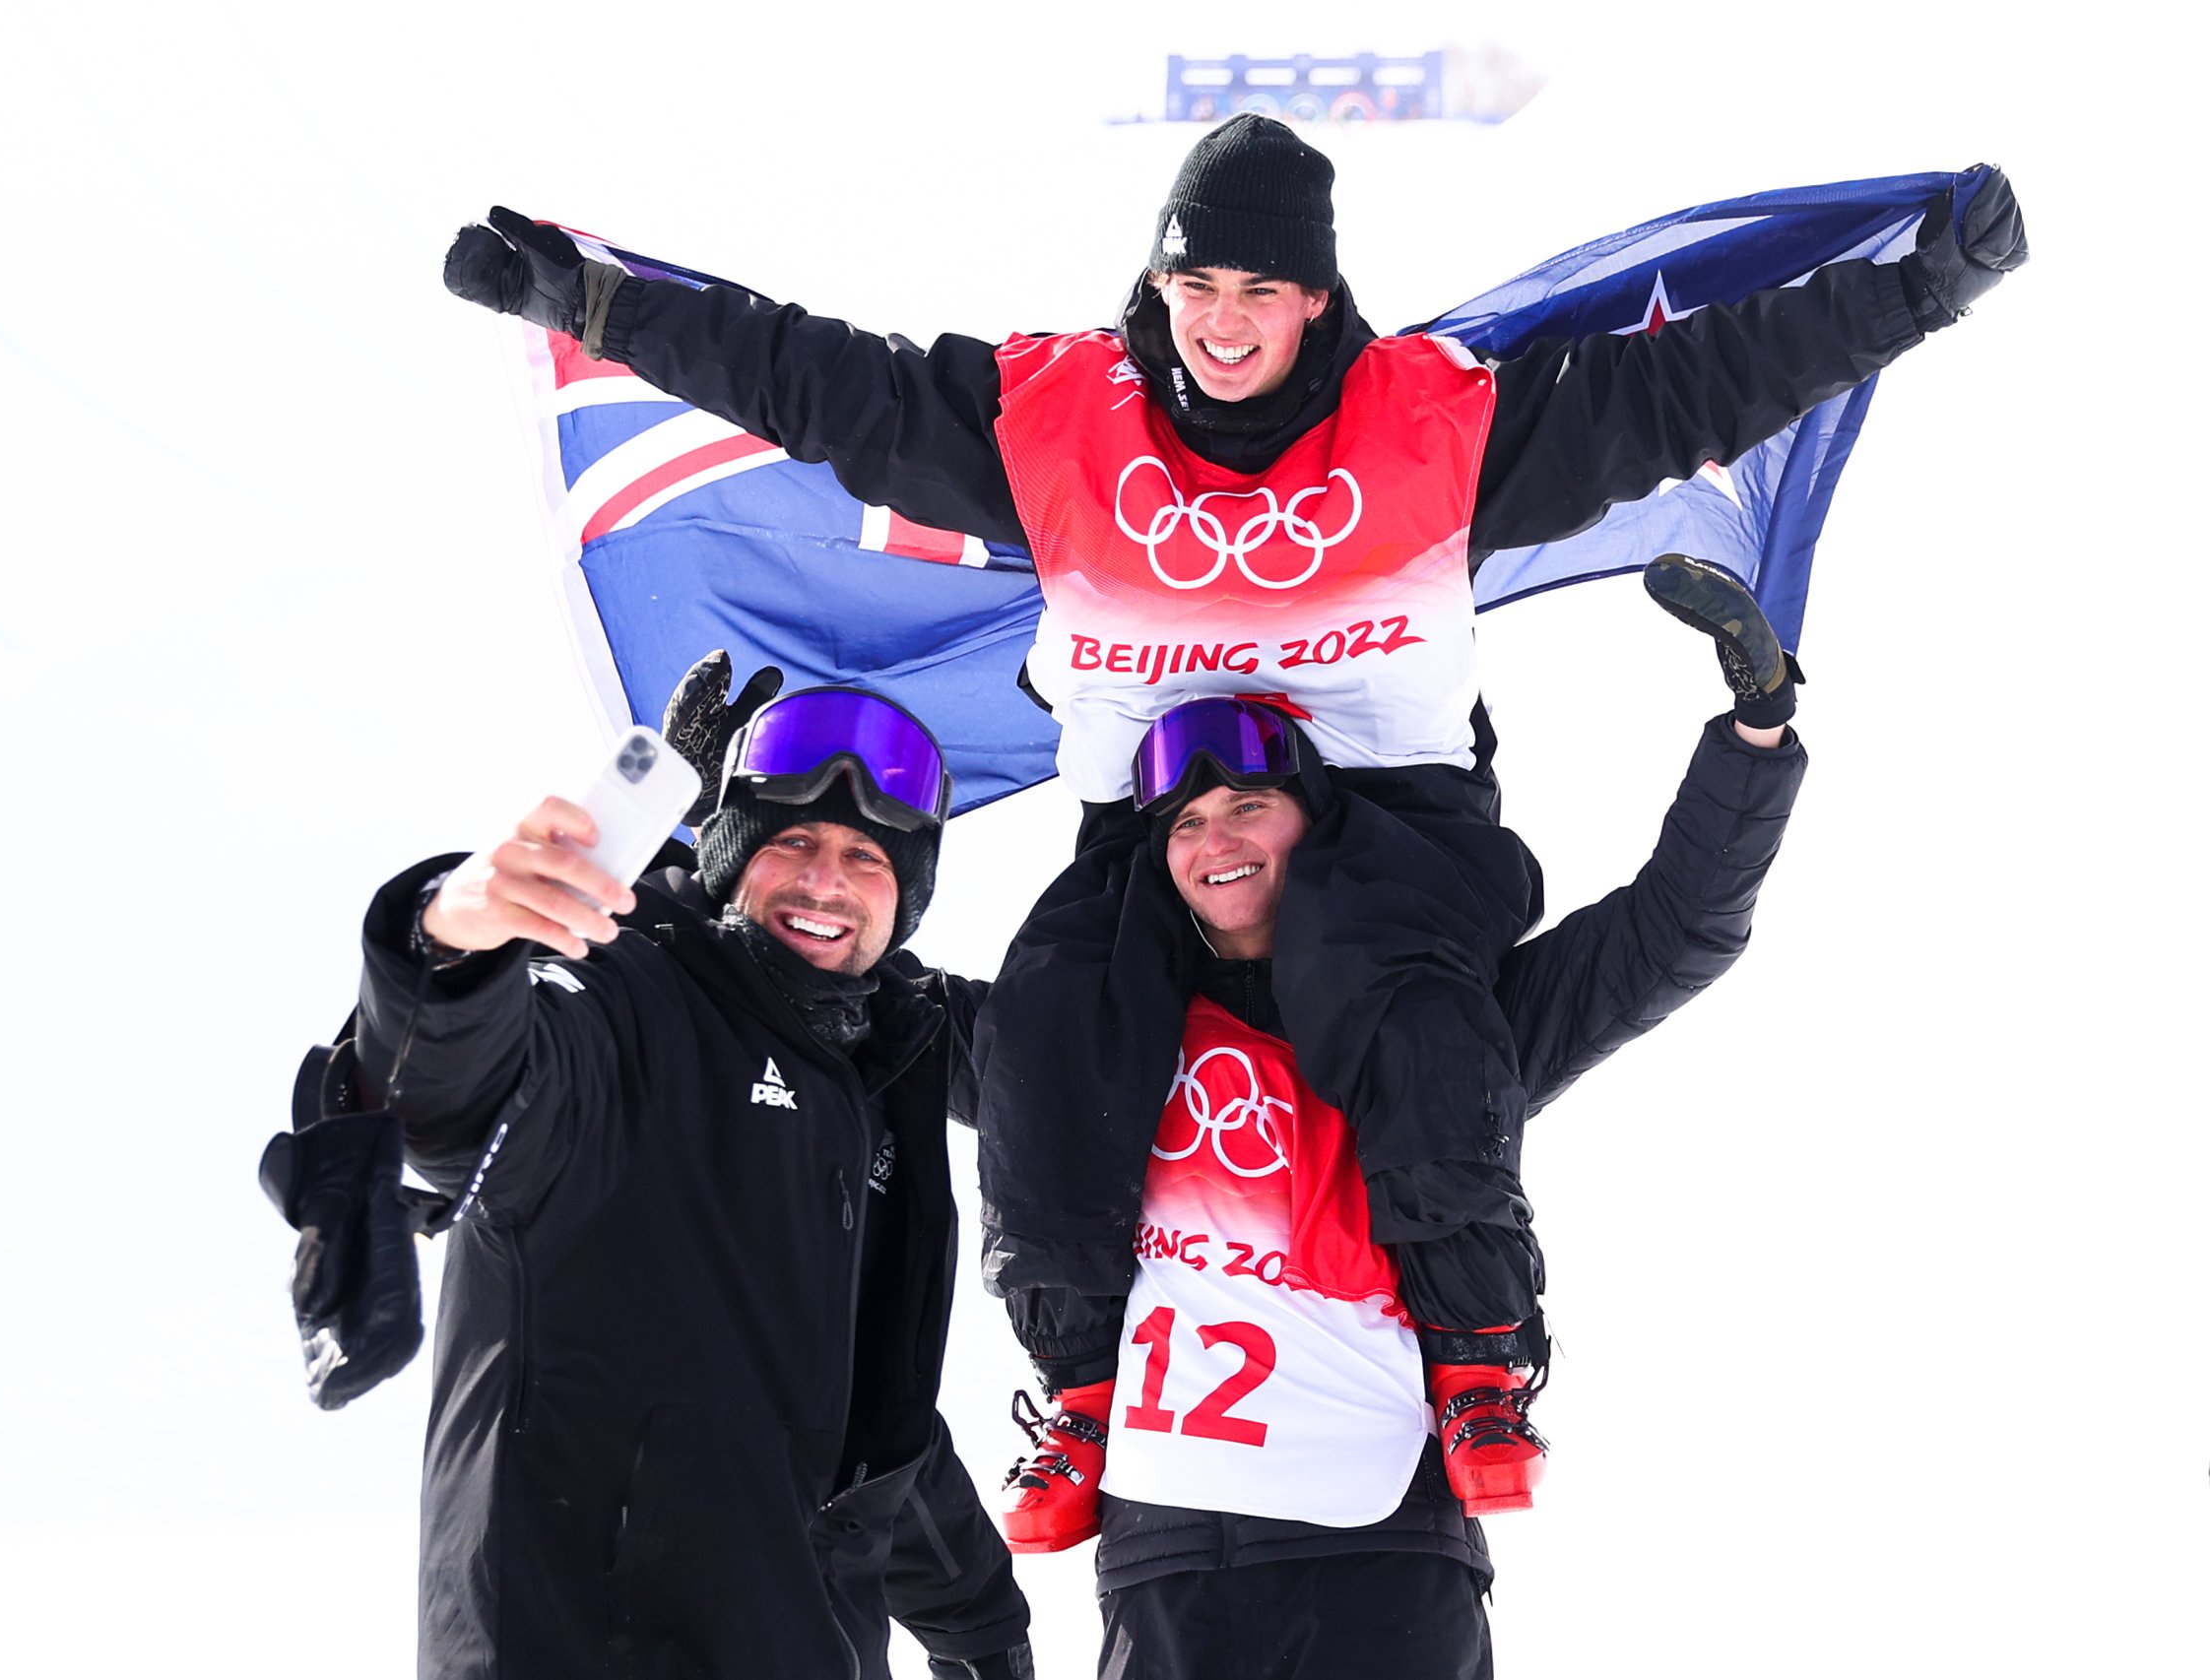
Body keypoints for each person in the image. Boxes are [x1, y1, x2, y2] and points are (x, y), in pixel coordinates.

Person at [438, 117, 2028, 1540]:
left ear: (1318, 305)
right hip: (1155, 826)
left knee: (1392, 996)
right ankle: (1076, 1383)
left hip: (1387, 826)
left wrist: (1921, 292)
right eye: (1198, 290)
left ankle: (1475, 1350)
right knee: (1061, 1022)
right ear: (1161, 290)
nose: (1223, 325)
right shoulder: (1058, 424)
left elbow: (1693, 382)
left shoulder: (1437, 426)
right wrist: (591, 302)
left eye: (1259, 296)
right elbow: (819, 379)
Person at [1079, 555, 1812, 1678]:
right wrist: (713, 859)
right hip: (1169, 1559)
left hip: (1385, 1547)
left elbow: (1675, 931)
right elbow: (870, 1011)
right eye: (1183, 821)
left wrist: (1753, 735)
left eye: (1248, 805)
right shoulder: (1096, 1038)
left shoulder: (1452, 1020)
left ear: (1311, 823)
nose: (1214, 839)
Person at [331, 678, 1031, 1679]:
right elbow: (457, 1110)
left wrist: (981, 1624)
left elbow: (864, 1420)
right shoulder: (622, 1001)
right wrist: (449, 942)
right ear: (728, 856)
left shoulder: (872, 1083)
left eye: (865, 856)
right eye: (789, 841)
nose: (825, 880)